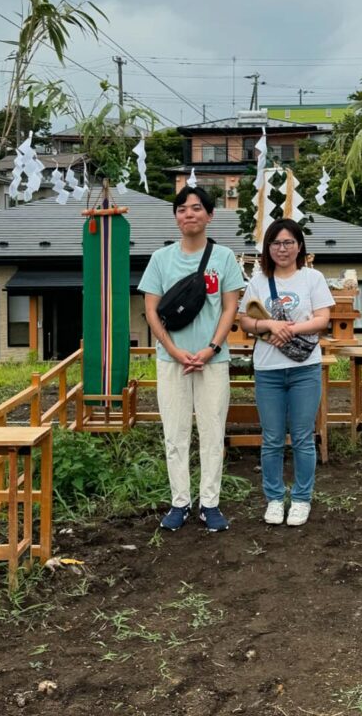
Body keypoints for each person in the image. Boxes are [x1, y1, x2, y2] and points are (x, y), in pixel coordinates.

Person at [139, 186, 244, 532]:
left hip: (212, 359)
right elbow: (150, 310)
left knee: (213, 432)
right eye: (182, 209)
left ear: (210, 215)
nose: (189, 214)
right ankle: (180, 501)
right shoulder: (161, 258)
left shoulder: (224, 257)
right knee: (175, 431)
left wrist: (211, 348)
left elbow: (230, 307)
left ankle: (210, 503)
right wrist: (173, 350)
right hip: (172, 361)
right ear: (176, 217)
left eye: (197, 208)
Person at [238, 218, 333, 526]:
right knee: (273, 438)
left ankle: (302, 499)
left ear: (299, 246)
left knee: (304, 436)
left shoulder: (312, 278)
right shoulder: (259, 281)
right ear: (268, 248)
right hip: (268, 370)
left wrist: (287, 329)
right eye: (276, 243)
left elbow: (322, 320)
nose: (282, 249)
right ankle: (275, 499)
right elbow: (245, 321)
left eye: (288, 242)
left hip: (305, 369)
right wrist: (269, 325)